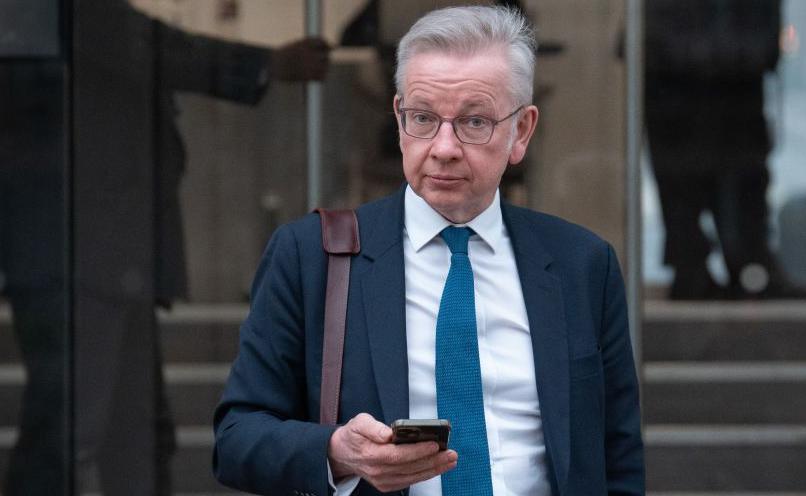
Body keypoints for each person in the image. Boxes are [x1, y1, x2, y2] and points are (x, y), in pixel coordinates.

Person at [214, 6, 643, 496]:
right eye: (422, 118)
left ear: (521, 131)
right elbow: (235, 439)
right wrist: (336, 450)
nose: (443, 147)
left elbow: (618, 456)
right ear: (398, 119)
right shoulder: (312, 256)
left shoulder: (581, 263)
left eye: (474, 121)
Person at [1, 1, 329, 494]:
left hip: (102, 254)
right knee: (73, 433)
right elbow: (144, 45)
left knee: (131, 435)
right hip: (79, 254)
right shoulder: (54, 14)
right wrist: (265, 65)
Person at [644, 0, 787, 299]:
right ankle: (699, 270)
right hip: (681, 105)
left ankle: (746, 266)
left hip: (723, 103)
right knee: (684, 195)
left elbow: (766, 42)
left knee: (741, 189)